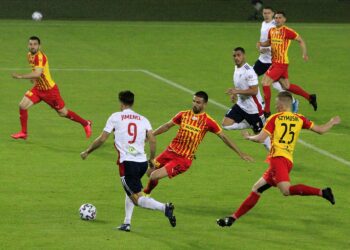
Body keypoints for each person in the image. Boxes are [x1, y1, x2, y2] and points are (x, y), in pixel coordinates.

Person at [217, 91, 340, 227]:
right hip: (287, 161)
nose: (275, 107)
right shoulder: (300, 118)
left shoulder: (275, 118)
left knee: (286, 190)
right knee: (257, 188)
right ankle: (232, 218)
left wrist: (249, 137)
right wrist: (332, 122)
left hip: (278, 159)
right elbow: (321, 130)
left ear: (282, 105)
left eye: (276, 104)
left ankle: (322, 192)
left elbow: (260, 138)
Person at [80, 90, 176, 232]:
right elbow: (153, 140)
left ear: (121, 103)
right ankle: (127, 222)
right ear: (132, 103)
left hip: (127, 163)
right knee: (130, 191)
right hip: (142, 163)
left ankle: (164, 207)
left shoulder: (116, 117)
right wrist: (151, 159)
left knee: (137, 198)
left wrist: (87, 151)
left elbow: (102, 139)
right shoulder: (143, 119)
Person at [143, 91, 254, 195]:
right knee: (149, 172)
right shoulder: (183, 114)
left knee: (154, 175)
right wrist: (151, 135)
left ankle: (145, 194)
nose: (195, 104)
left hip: (182, 159)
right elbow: (167, 126)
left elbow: (224, 137)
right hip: (169, 152)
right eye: (194, 101)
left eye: (198, 102)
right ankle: (147, 193)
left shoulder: (208, 121)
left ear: (204, 104)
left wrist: (240, 153)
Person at [11, 36, 91, 139]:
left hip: (50, 91)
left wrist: (20, 76)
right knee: (22, 105)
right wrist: (35, 80)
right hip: (38, 89)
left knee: (63, 113)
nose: (32, 46)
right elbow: (37, 72)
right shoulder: (29, 55)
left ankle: (85, 123)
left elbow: (37, 73)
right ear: (28, 45)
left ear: (39, 46)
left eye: (35, 44)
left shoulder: (40, 57)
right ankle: (24, 133)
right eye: (30, 44)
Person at [257, 11, 317, 118]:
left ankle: (266, 111)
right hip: (277, 63)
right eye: (276, 17)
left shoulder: (287, 31)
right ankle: (310, 97)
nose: (277, 19)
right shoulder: (272, 30)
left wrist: (304, 54)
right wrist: (262, 43)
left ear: (284, 19)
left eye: (280, 18)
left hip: (280, 63)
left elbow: (301, 41)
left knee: (265, 83)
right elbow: (269, 42)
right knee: (286, 86)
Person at [223, 47, 270, 151]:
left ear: (244, 56)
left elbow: (254, 91)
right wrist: (234, 93)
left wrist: (237, 92)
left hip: (254, 109)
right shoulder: (236, 68)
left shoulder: (249, 72)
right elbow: (240, 84)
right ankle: (248, 124)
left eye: (238, 55)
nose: (236, 58)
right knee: (225, 125)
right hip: (241, 105)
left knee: (262, 139)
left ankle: (276, 156)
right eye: (234, 56)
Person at [253, 6, 299, 113]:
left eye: (268, 13)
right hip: (263, 59)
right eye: (264, 13)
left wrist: (266, 49)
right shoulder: (264, 23)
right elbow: (265, 40)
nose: (266, 15)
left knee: (277, 85)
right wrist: (260, 46)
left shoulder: (275, 25)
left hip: (271, 61)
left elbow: (277, 41)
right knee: (253, 77)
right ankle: (262, 103)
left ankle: (292, 101)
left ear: (273, 14)